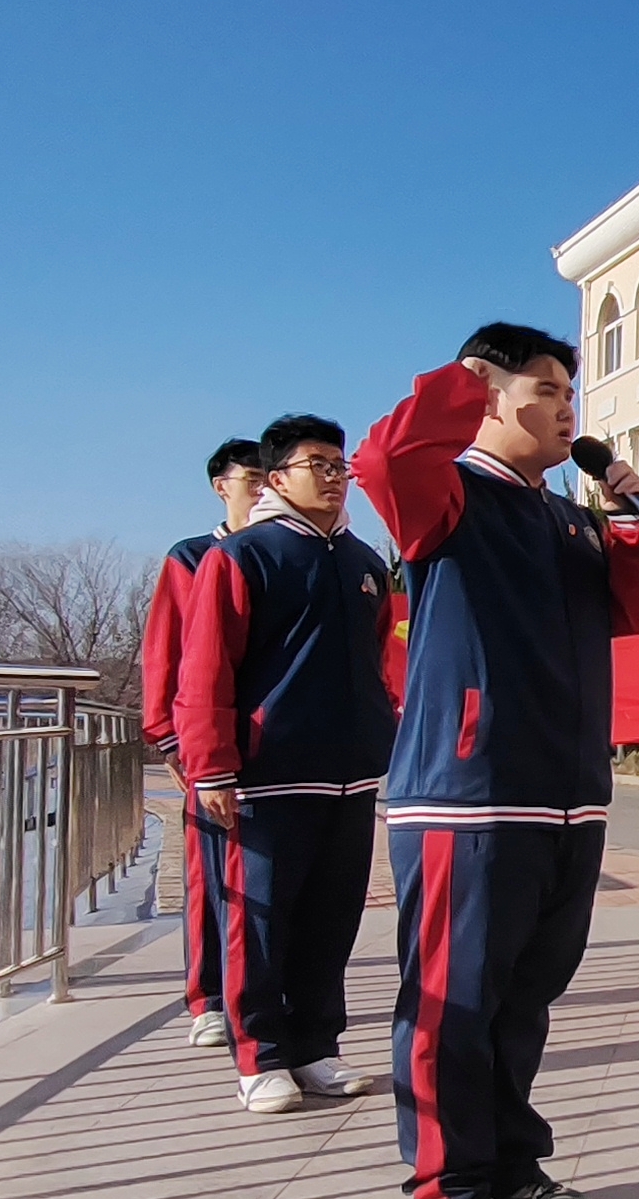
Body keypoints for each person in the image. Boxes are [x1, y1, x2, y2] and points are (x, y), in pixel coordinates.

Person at [355, 323, 639, 1199]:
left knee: (524, 996)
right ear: (487, 396)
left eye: (571, 393)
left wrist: (635, 517)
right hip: (470, 795)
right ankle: (451, 1178)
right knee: (454, 1000)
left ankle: (510, 1164)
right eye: (544, 390)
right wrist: (463, 377)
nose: (567, 408)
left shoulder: (569, 519)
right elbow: (384, 458)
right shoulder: (449, 493)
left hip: (567, 795)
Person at [174, 415, 396, 1114]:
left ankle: (315, 1046)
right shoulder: (244, 556)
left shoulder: (364, 563)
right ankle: (260, 1055)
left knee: (332, 918)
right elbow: (205, 666)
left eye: (339, 465)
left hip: (350, 774)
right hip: (268, 776)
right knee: (262, 920)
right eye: (316, 464)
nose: (334, 477)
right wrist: (211, 767)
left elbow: (379, 662)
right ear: (276, 478)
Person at [138, 436, 261, 1051]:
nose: (262, 490)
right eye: (251, 479)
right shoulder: (192, 557)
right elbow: (166, 650)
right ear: (222, 487)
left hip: (274, 744)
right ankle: (208, 997)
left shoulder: (292, 552)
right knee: (211, 872)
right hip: (208, 741)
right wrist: (170, 740)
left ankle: (269, 997)